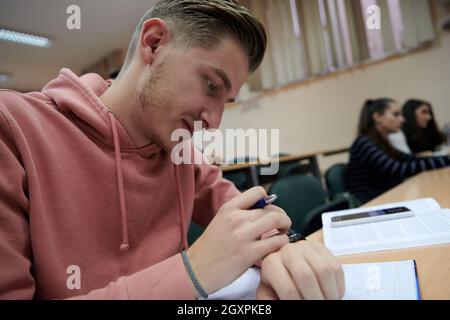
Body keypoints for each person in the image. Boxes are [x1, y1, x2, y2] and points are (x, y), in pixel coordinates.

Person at [0, 0, 344, 300]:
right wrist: (195, 270)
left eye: (226, 101)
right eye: (211, 85)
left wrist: (287, 250)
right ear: (153, 43)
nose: (214, 123)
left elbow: (246, 215)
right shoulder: (12, 129)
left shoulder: (179, 149)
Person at [347, 98, 450, 204]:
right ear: (377, 117)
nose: (402, 119)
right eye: (396, 114)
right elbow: (398, 169)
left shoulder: (383, 143)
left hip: (385, 195)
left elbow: (411, 159)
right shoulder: (364, 142)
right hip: (370, 201)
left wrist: (446, 159)